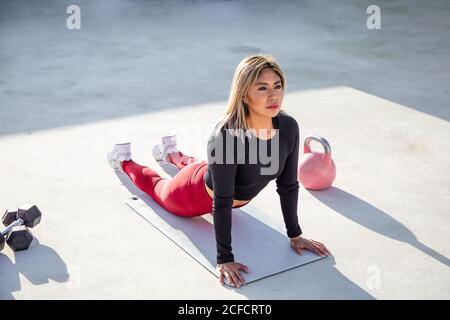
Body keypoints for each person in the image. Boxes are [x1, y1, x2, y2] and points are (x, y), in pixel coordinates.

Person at [107, 54, 330, 288]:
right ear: (245, 94)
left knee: (214, 164)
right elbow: (222, 202)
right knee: (157, 187)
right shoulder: (225, 136)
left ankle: (171, 153)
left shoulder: (288, 127)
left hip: (221, 178)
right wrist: (224, 258)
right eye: (262, 88)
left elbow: (288, 186)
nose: (274, 95)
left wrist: (295, 235)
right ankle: (124, 159)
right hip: (193, 195)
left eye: (278, 86)